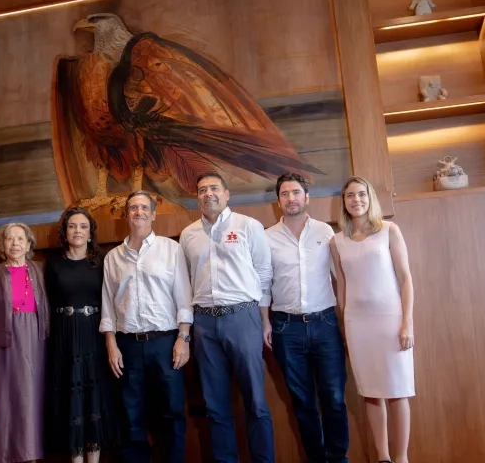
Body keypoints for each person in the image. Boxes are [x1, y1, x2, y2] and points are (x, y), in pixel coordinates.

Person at [179, 171, 274, 463]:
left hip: (242, 317)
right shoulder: (188, 234)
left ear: (227, 193)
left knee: (255, 401)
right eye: (202, 189)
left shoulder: (248, 226)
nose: (208, 193)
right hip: (204, 323)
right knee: (215, 404)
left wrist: (264, 320)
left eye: (214, 188)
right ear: (197, 197)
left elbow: (264, 274)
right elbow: (185, 282)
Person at [100, 190, 194, 463]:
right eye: (133, 208)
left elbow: (183, 298)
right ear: (126, 215)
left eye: (144, 208)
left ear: (153, 214)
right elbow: (108, 304)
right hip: (127, 345)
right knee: (131, 413)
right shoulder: (113, 258)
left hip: (166, 343)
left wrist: (183, 338)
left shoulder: (171, 249)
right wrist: (111, 345)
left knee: (172, 410)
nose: (138, 212)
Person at [329, 176, 415, 463]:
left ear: (370, 198)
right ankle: (383, 457)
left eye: (361, 194)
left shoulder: (388, 230)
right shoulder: (337, 241)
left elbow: (406, 280)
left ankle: (401, 458)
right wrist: (343, 329)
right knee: (370, 392)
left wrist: (407, 323)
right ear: (344, 202)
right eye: (350, 196)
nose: (356, 200)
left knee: (396, 389)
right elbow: (342, 286)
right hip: (357, 324)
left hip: (390, 320)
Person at [264, 173, 349, 463]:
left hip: (325, 324)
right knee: (303, 403)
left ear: (306, 197)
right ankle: (317, 459)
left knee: (335, 398)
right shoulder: (267, 237)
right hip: (286, 328)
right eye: (285, 194)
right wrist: (265, 322)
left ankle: (338, 458)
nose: (291, 198)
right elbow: (264, 284)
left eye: (296, 192)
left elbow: (342, 278)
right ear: (279, 201)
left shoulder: (325, 232)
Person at [45, 207, 119, 463]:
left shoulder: (102, 260)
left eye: (83, 226)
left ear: (90, 233)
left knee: (93, 395)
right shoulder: (53, 263)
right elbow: (48, 302)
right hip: (64, 335)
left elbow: (111, 300)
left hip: (94, 334)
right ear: (65, 232)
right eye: (72, 226)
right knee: (69, 395)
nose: (78, 231)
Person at [0, 222, 50, 463]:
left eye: (20, 239)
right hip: (5, 344)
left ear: (29, 244)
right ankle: (7, 456)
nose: (15, 243)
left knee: (34, 399)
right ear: (2, 244)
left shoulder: (41, 270)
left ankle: (34, 454)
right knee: (8, 402)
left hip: (38, 343)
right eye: (10, 239)